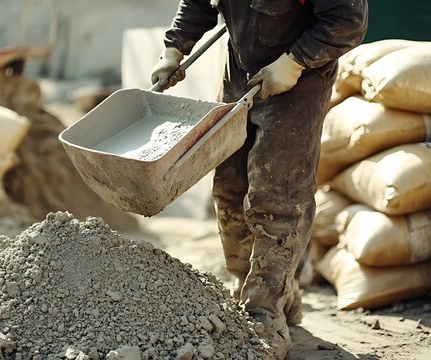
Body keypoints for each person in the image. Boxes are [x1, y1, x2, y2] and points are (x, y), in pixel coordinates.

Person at [150, 0, 367, 357]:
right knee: (229, 189)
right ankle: (263, 290)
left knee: (277, 198)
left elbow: (348, 20)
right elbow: (199, 3)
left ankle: (264, 312)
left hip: (299, 82)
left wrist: (295, 62)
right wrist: (174, 47)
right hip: (240, 73)